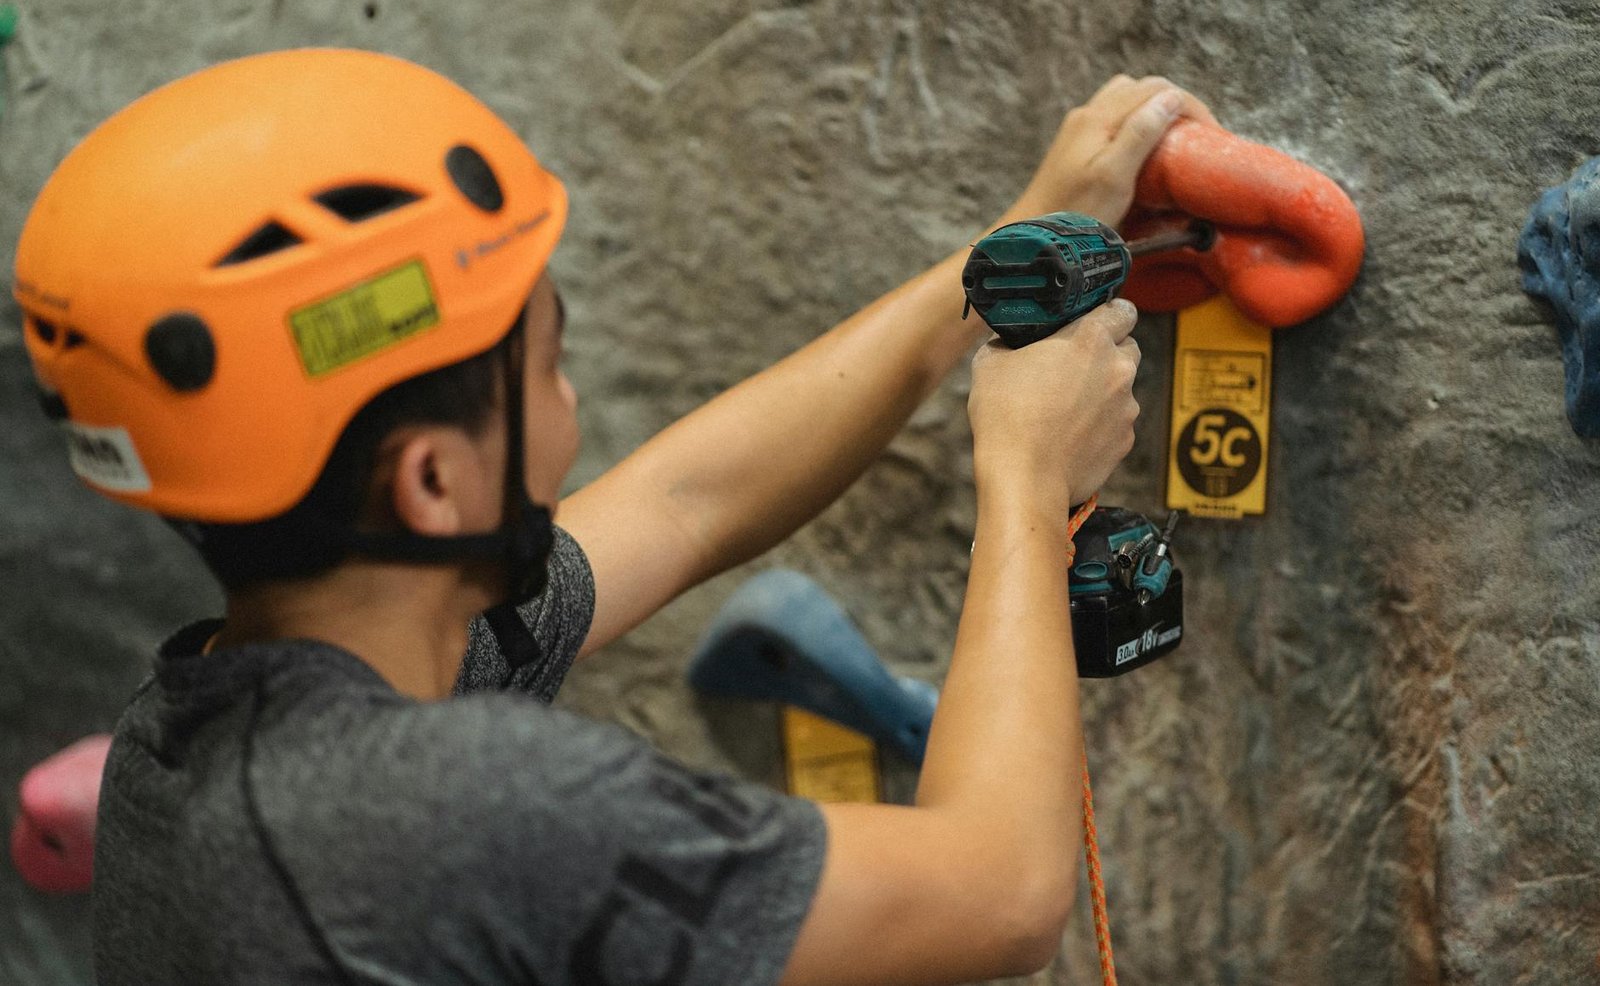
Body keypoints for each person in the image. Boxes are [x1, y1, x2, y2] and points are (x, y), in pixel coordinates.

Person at [13, 49, 1211, 985]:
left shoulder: (202, 735)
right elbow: (998, 892)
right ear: (432, 483)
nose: (572, 404)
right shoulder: (467, 810)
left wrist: (992, 261)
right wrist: (1023, 478)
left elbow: (688, 502)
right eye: (547, 364)